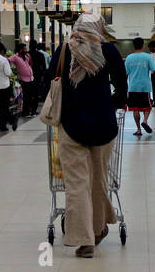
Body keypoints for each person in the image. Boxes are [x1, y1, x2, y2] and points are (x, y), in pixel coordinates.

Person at [46, 13, 127, 257]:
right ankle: (98, 227)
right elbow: (122, 87)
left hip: (71, 127)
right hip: (104, 127)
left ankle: (85, 241)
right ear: (98, 28)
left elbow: (48, 83)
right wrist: (109, 105)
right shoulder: (109, 51)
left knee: (76, 185)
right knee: (99, 179)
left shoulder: (63, 51)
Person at [123, 36, 155, 136]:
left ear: (134, 45)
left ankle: (138, 129)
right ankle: (145, 121)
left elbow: (125, 73)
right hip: (144, 86)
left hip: (133, 86)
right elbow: (154, 70)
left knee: (135, 108)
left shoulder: (129, 57)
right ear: (143, 45)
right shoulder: (147, 57)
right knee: (148, 106)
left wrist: (123, 86)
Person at [9, 41, 37, 117]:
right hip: (24, 80)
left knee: (31, 96)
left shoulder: (26, 57)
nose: (26, 50)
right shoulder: (15, 57)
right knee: (27, 97)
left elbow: (31, 64)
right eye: (24, 49)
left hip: (31, 78)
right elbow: (8, 60)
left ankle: (31, 111)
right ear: (20, 50)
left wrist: (29, 57)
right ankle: (26, 112)